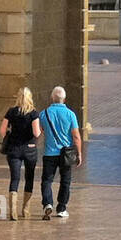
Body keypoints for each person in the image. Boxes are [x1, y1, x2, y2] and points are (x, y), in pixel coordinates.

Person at [39, 86, 82, 219]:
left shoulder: (44, 113)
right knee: (65, 181)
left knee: (47, 180)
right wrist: (79, 153)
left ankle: (47, 203)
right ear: (64, 99)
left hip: (49, 153)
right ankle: (61, 208)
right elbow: (76, 136)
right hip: (66, 154)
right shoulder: (70, 114)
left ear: (52, 98)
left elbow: (39, 132)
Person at [0, 87, 41, 220]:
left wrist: (10, 134)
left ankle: (13, 212)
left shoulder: (11, 112)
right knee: (29, 177)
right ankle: (26, 210)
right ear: (30, 98)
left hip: (14, 149)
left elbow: (2, 130)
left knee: (15, 178)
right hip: (29, 149)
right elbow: (36, 133)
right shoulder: (33, 113)